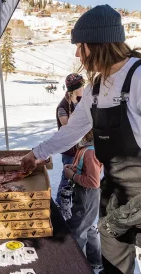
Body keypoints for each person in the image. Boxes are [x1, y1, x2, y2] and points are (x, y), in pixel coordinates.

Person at [22, 5, 141, 274]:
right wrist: (37, 154)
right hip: (115, 198)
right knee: (113, 268)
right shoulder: (96, 87)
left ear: (96, 43)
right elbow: (71, 131)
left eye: (80, 46)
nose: (77, 53)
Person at [63, 130, 102, 270]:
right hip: (84, 194)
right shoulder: (84, 148)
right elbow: (83, 169)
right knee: (89, 225)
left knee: (78, 229)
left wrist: (73, 176)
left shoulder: (90, 153)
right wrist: (73, 169)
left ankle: (76, 266)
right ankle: (95, 260)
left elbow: (94, 181)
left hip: (88, 195)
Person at [55, 73, 85, 205]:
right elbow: (68, 127)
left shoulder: (80, 101)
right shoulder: (63, 106)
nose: (84, 88)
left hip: (81, 149)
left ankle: (69, 205)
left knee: (78, 179)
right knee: (67, 179)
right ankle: (59, 205)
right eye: (81, 86)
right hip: (70, 151)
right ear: (75, 89)